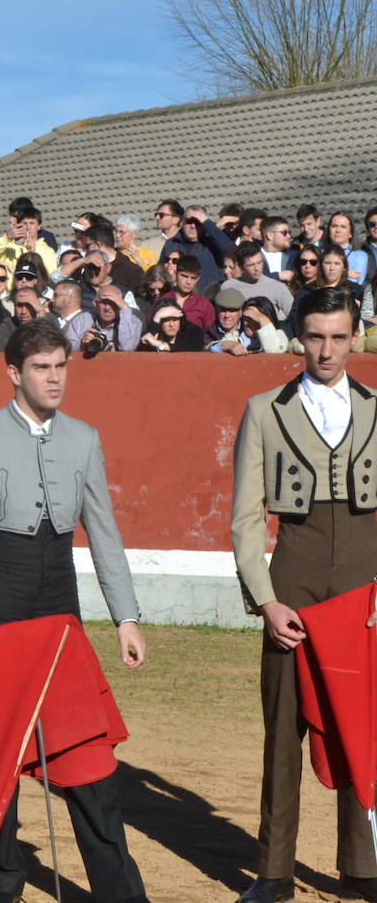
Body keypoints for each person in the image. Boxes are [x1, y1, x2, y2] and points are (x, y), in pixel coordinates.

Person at [0, 320, 148, 903]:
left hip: (61, 599)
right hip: (3, 595)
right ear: (14, 374)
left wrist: (125, 616)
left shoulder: (84, 437)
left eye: (61, 366)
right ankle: (3, 878)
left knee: (83, 740)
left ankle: (117, 889)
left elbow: (104, 530)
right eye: (42, 368)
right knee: (3, 742)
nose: (55, 379)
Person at [230, 289, 377, 903]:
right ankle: (274, 870)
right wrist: (266, 600)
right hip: (295, 568)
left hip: (366, 576)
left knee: (367, 721)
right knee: (283, 724)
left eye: (338, 337)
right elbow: (243, 519)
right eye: (315, 336)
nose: (327, 349)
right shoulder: (264, 409)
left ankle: (364, 867)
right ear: (298, 336)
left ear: (355, 337)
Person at [138, 298, 204, 352]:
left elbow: (191, 348)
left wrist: (160, 345)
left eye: (175, 319)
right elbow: (144, 347)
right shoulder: (154, 330)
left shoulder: (193, 332)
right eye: (166, 319)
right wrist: (156, 317)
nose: (171, 324)